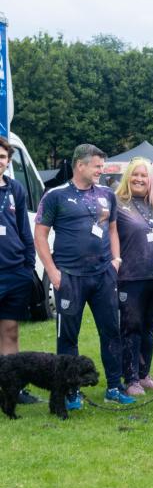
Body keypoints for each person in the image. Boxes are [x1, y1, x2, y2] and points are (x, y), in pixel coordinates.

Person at [35, 144, 134, 408]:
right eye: (97, 166)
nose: (101, 171)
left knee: (111, 331)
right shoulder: (55, 196)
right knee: (68, 337)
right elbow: (40, 236)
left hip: (103, 275)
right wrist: (54, 273)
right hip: (69, 276)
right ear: (81, 165)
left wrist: (116, 261)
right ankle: (70, 392)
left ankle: (114, 386)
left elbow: (112, 230)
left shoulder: (106, 194)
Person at [114, 158, 153, 396]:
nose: (139, 179)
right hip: (130, 276)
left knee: (149, 327)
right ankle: (130, 379)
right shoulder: (116, 203)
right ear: (128, 176)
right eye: (135, 175)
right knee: (131, 326)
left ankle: (144, 374)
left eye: (144, 175)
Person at [0, 136, 39, 406]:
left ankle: (12, 388)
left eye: (3, 157)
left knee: (10, 330)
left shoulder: (15, 189)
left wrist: (28, 265)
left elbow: (24, 230)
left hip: (14, 271)